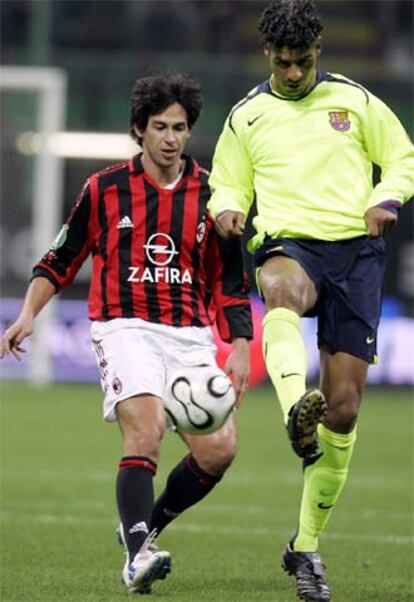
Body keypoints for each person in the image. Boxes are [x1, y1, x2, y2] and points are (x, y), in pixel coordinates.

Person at [0, 73, 252, 594]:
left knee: (219, 449)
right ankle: (137, 558)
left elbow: (230, 281)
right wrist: (27, 315)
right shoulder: (104, 189)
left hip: (190, 335)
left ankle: (143, 526)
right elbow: (60, 260)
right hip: (124, 327)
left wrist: (243, 346)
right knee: (147, 431)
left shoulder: (211, 195)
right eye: (159, 126)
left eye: (180, 127)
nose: (170, 138)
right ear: (139, 129)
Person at [208, 1, 414, 601]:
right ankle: (296, 411)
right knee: (280, 290)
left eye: (301, 62)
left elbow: (401, 156)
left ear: (317, 51)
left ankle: (305, 546)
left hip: (357, 252)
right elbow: (228, 179)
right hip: (289, 241)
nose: (292, 72)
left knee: (345, 413)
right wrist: (226, 206)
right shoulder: (246, 116)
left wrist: (387, 199)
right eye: (282, 61)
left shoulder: (356, 101)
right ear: (266, 53)